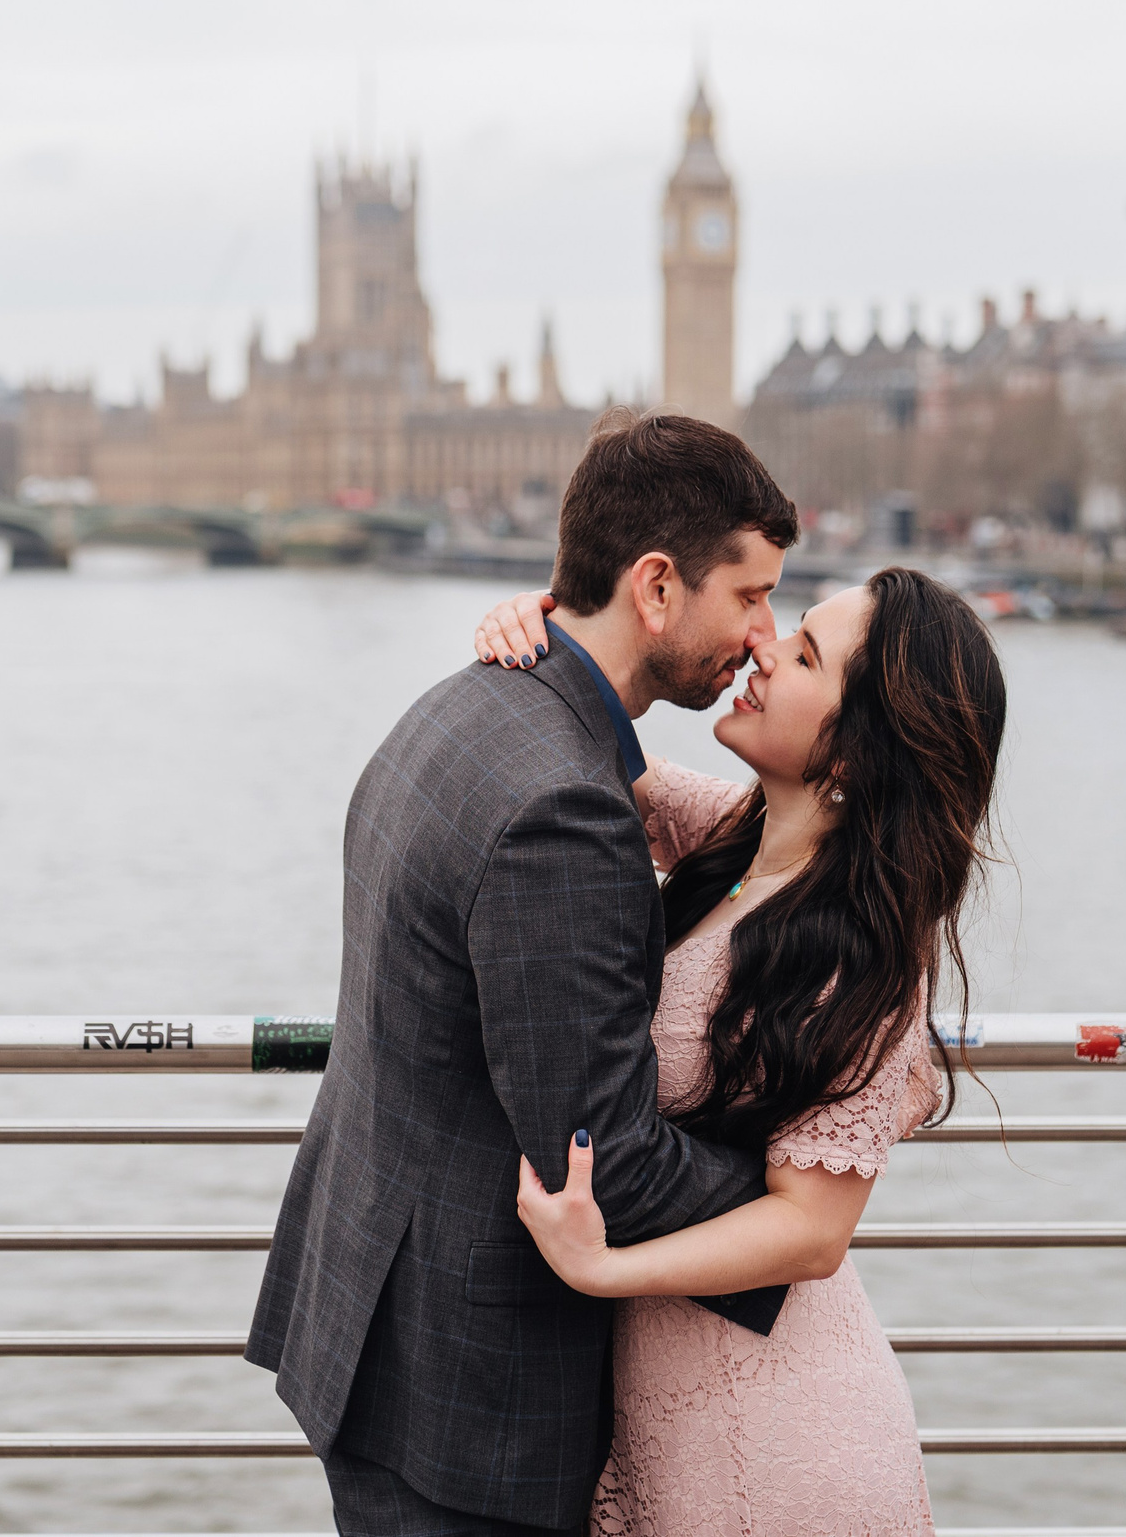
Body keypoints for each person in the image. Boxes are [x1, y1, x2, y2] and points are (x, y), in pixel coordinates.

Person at [248, 409, 804, 1536]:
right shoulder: (563, 810)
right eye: (747, 596)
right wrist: (800, 1220)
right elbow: (595, 1162)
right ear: (656, 586)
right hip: (472, 1404)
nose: (760, 633)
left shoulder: (461, 709)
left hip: (379, 1327)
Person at [471, 563, 1007, 1536]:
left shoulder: (861, 952)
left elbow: (813, 1229)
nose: (762, 650)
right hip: (666, 1408)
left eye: (803, 655)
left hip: (776, 1435)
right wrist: (537, 630)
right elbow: (593, 758)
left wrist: (600, 1270)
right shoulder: (732, 835)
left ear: (854, 751)